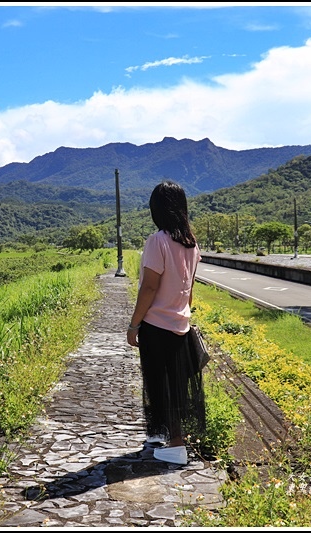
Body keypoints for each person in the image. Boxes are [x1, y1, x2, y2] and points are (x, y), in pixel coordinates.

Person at [126, 180, 206, 465]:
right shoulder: (191, 244)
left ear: (157, 210)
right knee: (175, 384)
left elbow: (149, 288)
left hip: (156, 325)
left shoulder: (157, 241)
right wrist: (181, 312)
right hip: (179, 323)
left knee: (160, 384)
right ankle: (164, 435)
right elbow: (190, 289)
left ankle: (175, 446)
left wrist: (134, 325)